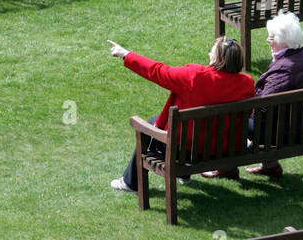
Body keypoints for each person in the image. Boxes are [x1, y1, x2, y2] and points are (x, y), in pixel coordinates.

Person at [108, 36, 255, 192]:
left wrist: (126, 54)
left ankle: (130, 182)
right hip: (224, 150)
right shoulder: (247, 83)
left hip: (185, 154)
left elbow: (157, 71)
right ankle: (183, 176)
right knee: (167, 124)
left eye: (211, 53)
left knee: (148, 125)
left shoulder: (194, 76)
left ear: (219, 59)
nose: (208, 55)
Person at [246, 11, 303, 177]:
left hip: (293, 131)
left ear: (283, 41)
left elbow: (263, 110)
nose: (268, 40)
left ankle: (225, 168)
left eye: (272, 37)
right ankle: (270, 165)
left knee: (234, 122)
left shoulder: (284, 68)